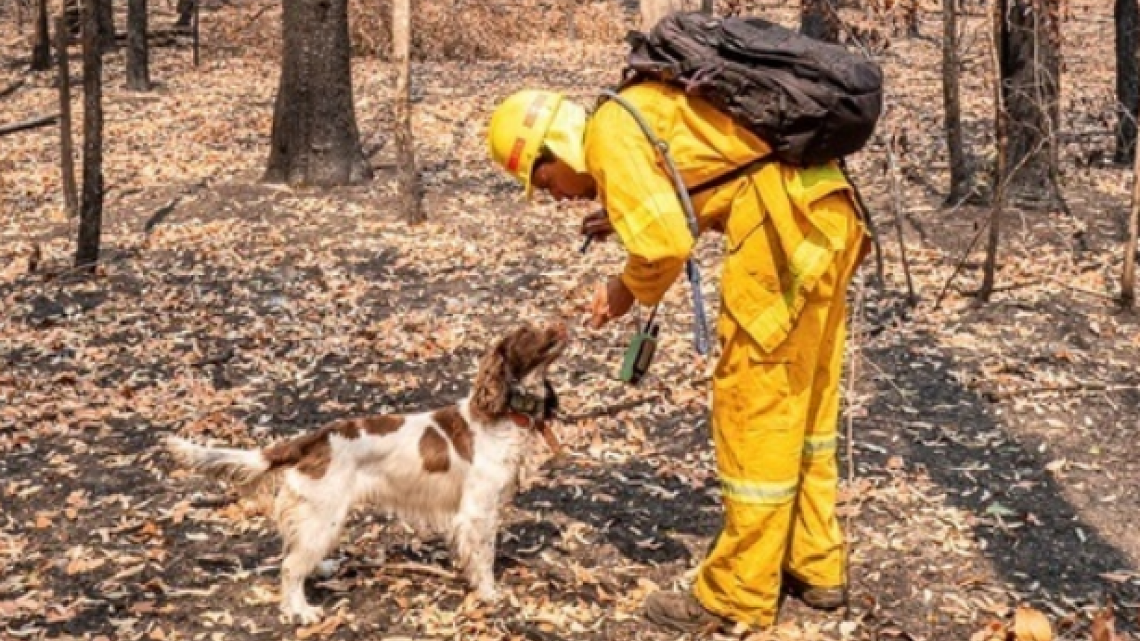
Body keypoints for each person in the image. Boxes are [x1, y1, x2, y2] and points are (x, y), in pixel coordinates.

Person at [486, 83, 870, 633]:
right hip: (825, 221)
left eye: (545, 181)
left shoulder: (610, 137)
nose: (557, 197)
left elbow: (665, 244)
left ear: (558, 147)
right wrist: (618, 218)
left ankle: (738, 593)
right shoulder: (630, 114)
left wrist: (624, 289)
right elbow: (707, 176)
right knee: (803, 409)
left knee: (752, 417)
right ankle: (815, 563)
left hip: (782, 243)